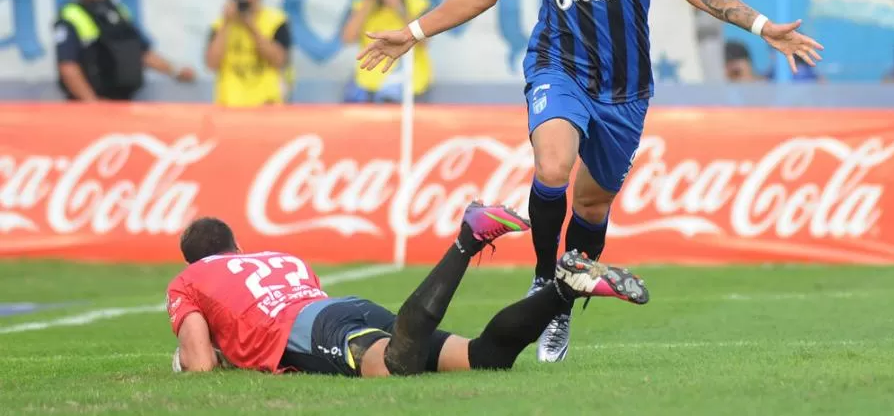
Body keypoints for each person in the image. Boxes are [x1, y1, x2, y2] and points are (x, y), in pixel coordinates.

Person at [358, 0, 823, 363]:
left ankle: (559, 305)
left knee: (593, 204)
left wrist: (763, 26)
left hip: (625, 91)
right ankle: (540, 278)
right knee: (553, 166)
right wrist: (412, 32)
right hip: (559, 69)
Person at [167, 203, 648, 375]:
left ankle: (467, 239)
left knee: (396, 364)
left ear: (197, 260)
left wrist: (192, 358)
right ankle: (562, 289)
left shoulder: (189, 280)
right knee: (484, 357)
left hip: (313, 330)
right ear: (237, 246)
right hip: (339, 309)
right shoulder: (281, 257)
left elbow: (202, 364)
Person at [54, 0, 195, 101]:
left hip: (122, 103)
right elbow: (68, 67)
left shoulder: (117, 11)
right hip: (91, 107)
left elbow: (142, 52)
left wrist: (175, 71)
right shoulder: (71, 16)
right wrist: (92, 103)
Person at [341, 0, 433, 103]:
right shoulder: (362, 6)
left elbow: (425, 42)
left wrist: (399, 7)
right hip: (369, 85)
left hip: (411, 85)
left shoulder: (418, 4)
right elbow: (347, 38)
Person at [205, 0, 293, 107]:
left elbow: (279, 60)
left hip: (267, 105)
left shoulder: (276, 21)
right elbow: (211, 64)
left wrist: (251, 26)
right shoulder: (220, 25)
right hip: (229, 106)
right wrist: (226, 23)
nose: (245, 4)